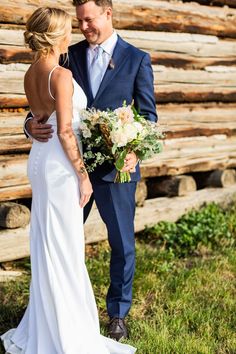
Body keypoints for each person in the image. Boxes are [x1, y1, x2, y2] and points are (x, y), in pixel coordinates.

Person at [1, 7, 136, 354]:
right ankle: (66, 329)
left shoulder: (31, 72)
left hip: (40, 162)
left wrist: (31, 125)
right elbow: (64, 131)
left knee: (49, 243)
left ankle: (48, 319)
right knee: (65, 247)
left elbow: (41, 116)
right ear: (56, 36)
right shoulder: (60, 74)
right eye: (67, 29)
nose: (72, 34)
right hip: (61, 166)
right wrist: (83, 175)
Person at [24, 0, 157, 342]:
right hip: (69, 169)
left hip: (114, 170)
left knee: (122, 243)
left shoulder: (136, 59)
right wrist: (29, 125)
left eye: (89, 19)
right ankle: (55, 314)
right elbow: (46, 105)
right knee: (59, 241)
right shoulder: (66, 53)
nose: (83, 27)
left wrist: (134, 151)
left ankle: (117, 315)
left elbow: (148, 115)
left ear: (107, 13)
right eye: (78, 21)